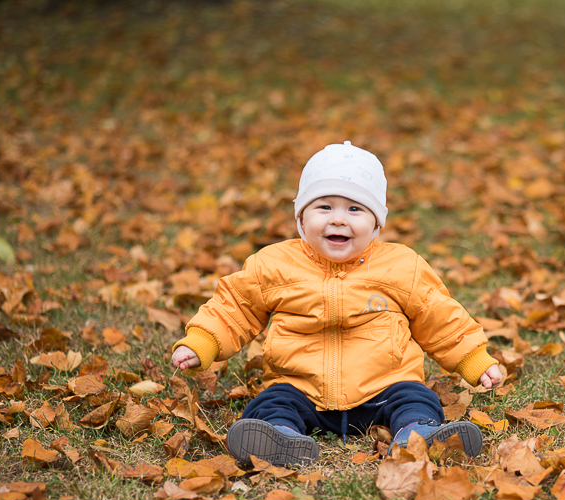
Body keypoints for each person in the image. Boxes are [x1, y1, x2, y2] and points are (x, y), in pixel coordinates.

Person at [171, 141, 502, 467]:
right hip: (301, 388)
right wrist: (204, 341)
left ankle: (417, 434)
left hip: (384, 385)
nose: (339, 220)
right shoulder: (273, 264)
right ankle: (279, 435)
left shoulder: (401, 266)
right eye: (324, 207)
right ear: (301, 218)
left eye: (354, 209)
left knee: (415, 397)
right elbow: (236, 306)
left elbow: (439, 315)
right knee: (272, 401)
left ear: (376, 223)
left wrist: (473, 359)